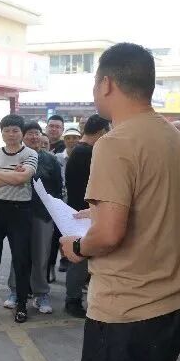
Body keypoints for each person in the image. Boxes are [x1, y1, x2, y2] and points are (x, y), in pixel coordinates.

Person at [58, 43, 180, 361]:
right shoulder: (177, 141)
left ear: (107, 83)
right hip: (172, 307)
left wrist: (77, 247)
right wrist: (97, 215)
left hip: (124, 312)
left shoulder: (115, 143)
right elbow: (157, 210)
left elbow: (110, 235)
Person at [0, 115, 38, 323]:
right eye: (7, 130)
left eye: (15, 130)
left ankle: (21, 305)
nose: (11, 134)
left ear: (22, 133)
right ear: (1, 132)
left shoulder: (30, 154)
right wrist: (11, 176)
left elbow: (23, 178)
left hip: (20, 211)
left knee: (21, 259)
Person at [8, 122, 62, 315]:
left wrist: (54, 212)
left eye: (36, 133)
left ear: (41, 135)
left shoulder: (50, 160)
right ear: (23, 136)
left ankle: (41, 294)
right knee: (18, 254)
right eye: (29, 133)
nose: (33, 136)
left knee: (41, 256)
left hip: (43, 214)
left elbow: (57, 188)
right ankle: (15, 291)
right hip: (18, 213)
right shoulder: (15, 157)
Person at [63, 114, 111, 318]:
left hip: (80, 210)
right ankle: (73, 300)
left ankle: (75, 298)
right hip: (83, 212)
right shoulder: (87, 153)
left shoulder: (80, 151)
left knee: (81, 257)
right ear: (101, 132)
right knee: (80, 259)